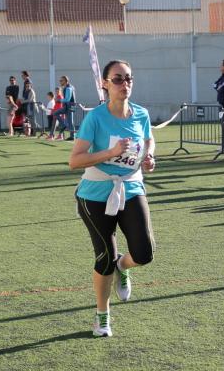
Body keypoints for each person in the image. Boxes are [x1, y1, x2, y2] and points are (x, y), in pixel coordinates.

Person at [69, 60, 156, 338]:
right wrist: (109, 153)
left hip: (130, 188)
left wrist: (148, 156)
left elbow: (148, 139)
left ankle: (123, 266)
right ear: (104, 84)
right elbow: (75, 161)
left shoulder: (141, 113)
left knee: (144, 254)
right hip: (94, 195)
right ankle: (102, 316)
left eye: (128, 78)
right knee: (104, 258)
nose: (124, 84)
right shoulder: (95, 117)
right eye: (117, 79)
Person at [54, 76, 76, 140]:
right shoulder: (68, 87)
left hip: (70, 106)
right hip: (67, 106)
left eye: (61, 81)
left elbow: (67, 99)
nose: (60, 82)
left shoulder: (68, 88)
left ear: (66, 81)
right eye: (60, 80)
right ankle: (63, 126)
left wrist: (59, 100)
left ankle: (72, 136)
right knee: (55, 113)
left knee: (70, 121)